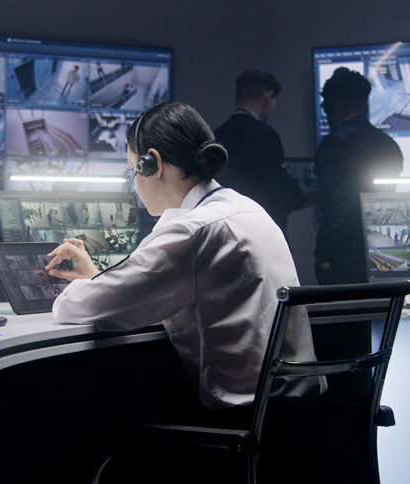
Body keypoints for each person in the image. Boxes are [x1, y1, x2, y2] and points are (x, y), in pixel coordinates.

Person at [46, 101, 324, 411]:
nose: (134, 183)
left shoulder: (191, 232)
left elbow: (77, 307)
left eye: (132, 168)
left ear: (152, 165)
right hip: (292, 412)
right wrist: (97, 278)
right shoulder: (249, 210)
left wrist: (89, 284)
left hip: (241, 418)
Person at [315, 67, 403, 284]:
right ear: (365, 105)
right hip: (388, 252)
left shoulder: (336, 144)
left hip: (345, 258)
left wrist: (324, 255)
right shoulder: (389, 145)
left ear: (335, 107)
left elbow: (338, 205)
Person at [214, 70, 307, 237]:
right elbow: (278, 189)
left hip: (227, 234)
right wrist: (302, 195)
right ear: (267, 97)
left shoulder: (217, 136)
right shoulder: (266, 136)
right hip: (264, 234)